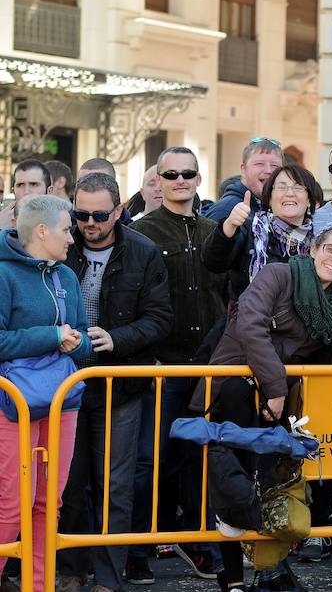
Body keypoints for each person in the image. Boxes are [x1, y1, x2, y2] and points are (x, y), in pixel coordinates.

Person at [189, 223, 332, 592]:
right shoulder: (278, 274)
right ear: (313, 249)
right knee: (230, 486)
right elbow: (251, 326)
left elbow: (325, 357)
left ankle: (269, 573)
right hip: (231, 389)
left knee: (268, 486)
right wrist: (275, 387)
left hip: (274, 403)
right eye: (330, 249)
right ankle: (232, 579)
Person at [56, 173, 172, 591]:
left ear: (120, 211)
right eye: (81, 214)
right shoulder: (61, 245)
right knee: (69, 481)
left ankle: (108, 576)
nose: (88, 223)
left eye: (99, 215)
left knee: (115, 485)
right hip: (65, 385)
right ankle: (71, 569)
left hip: (119, 386)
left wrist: (116, 339)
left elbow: (160, 319)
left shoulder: (142, 251)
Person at [128, 147, 227, 580]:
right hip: (162, 365)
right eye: (171, 174)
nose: (179, 180)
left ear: (199, 178)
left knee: (200, 457)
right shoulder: (142, 232)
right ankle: (138, 546)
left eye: (187, 173)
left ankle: (194, 539)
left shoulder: (215, 231)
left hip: (208, 363)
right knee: (153, 460)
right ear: (159, 180)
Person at [0, 194, 89, 592]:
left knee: (47, 503)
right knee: (9, 505)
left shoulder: (67, 277)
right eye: (66, 229)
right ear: (41, 230)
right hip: (12, 404)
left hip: (62, 402)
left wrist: (74, 343)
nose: (73, 238)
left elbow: (84, 342)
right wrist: (52, 336)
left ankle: (39, 586)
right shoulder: (3, 274)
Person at [202, 164, 323, 307]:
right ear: (270, 198)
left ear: (309, 199)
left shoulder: (320, 240)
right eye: (281, 187)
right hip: (250, 322)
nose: (290, 193)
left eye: (298, 187)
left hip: (303, 326)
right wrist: (228, 227)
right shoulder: (250, 229)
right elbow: (214, 263)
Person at [202, 138, 283, 223]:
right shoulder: (226, 209)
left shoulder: (277, 209)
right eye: (259, 164)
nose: (268, 171)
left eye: (274, 165)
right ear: (244, 170)